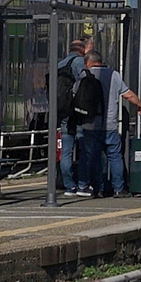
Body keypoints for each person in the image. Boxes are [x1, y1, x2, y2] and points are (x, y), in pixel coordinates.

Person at [79, 45, 141, 198]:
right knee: (115, 155)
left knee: (92, 156)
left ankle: (98, 188)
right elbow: (128, 95)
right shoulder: (114, 75)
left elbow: (76, 97)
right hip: (110, 124)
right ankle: (118, 189)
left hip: (90, 124)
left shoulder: (84, 75)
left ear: (89, 63)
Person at [58, 39, 87, 196]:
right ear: (82, 50)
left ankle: (69, 186)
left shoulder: (60, 64)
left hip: (64, 113)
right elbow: (85, 83)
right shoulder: (79, 62)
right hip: (79, 112)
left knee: (66, 151)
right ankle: (82, 185)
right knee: (84, 148)